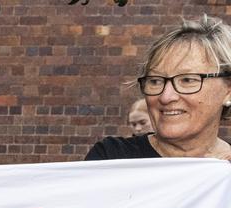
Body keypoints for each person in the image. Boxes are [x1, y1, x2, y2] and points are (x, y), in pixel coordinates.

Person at [86, 15, 231, 161]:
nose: (165, 97)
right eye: (155, 81)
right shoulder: (112, 158)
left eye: (187, 80)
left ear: (228, 92)